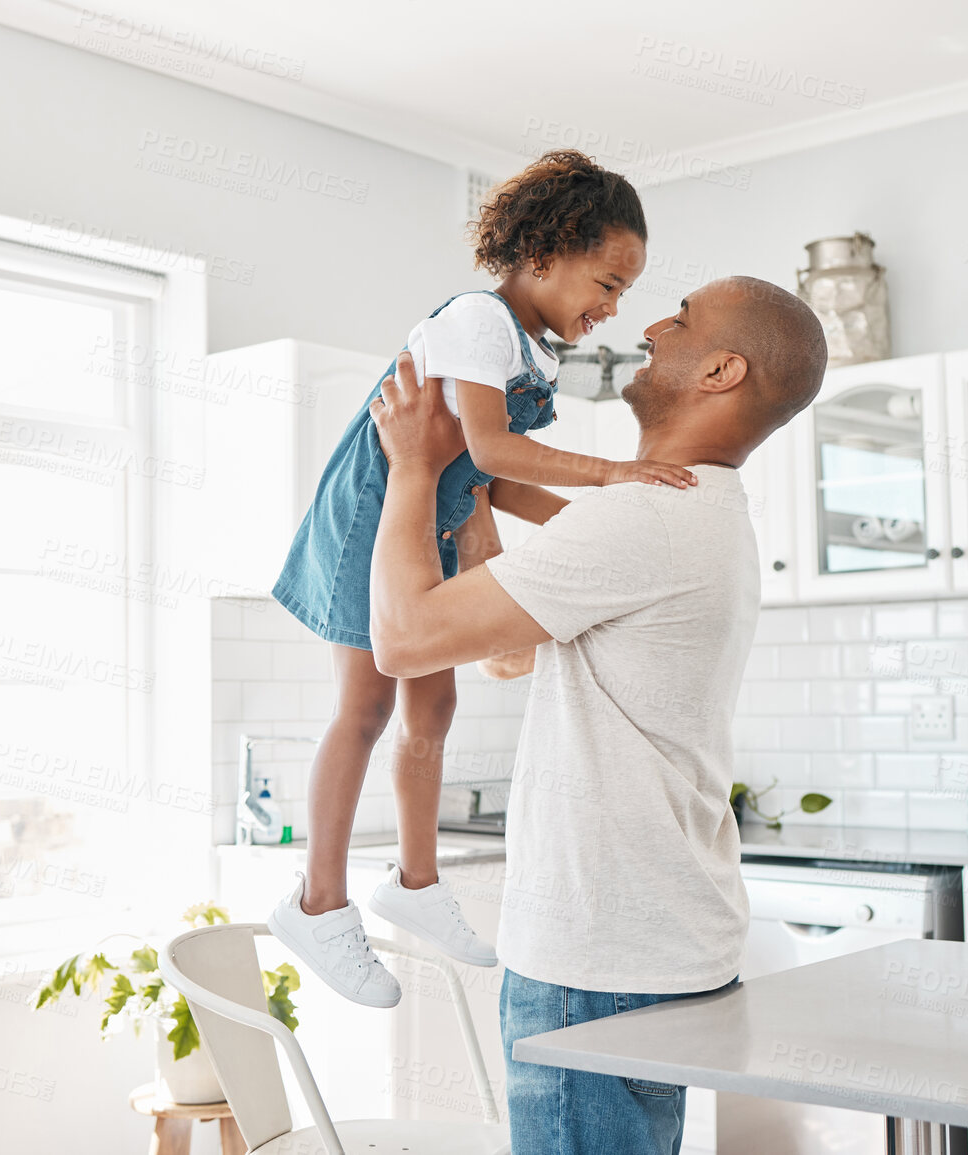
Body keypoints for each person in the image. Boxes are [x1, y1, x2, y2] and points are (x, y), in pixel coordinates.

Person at [365, 276, 829, 1154]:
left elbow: (402, 637)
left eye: (682, 318)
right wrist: (473, 511)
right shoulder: (685, 512)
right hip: (640, 941)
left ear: (722, 370)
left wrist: (416, 469)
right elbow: (506, 651)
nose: (651, 323)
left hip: (597, 955)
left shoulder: (647, 518)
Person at [267, 149, 697, 1009]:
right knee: (365, 708)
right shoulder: (476, 320)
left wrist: (597, 527)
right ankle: (315, 902)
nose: (610, 310)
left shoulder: (526, 351)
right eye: (605, 284)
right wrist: (611, 476)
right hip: (375, 505)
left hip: (427, 506)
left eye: (621, 295)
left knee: (436, 705)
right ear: (544, 255)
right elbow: (496, 451)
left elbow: (491, 481)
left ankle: (414, 884)